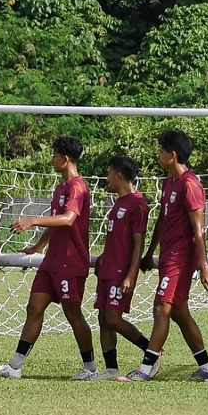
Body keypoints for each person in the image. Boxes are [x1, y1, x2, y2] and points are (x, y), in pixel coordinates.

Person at [0, 137, 95, 380]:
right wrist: (37, 247)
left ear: (65, 159)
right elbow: (56, 222)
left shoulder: (77, 187)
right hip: (52, 261)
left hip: (71, 262)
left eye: (54, 155)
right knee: (34, 307)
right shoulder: (60, 188)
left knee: (73, 314)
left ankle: (90, 368)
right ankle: (15, 366)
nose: (51, 159)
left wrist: (31, 221)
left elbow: (68, 218)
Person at [130, 130, 208, 381]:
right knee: (178, 311)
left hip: (182, 257)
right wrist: (150, 252)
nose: (158, 155)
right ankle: (207, 368)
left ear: (173, 154)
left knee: (161, 307)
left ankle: (147, 367)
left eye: (161, 151)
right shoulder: (169, 182)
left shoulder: (190, 185)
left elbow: (198, 228)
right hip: (168, 254)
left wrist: (203, 265)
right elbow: (163, 219)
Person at [90, 156, 151, 381]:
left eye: (108, 174)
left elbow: (138, 243)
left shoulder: (138, 204)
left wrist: (131, 274)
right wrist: (104, 257)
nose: (107, 179)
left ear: (118, 176)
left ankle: (151, 350)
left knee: (114, 319)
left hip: (120, 272)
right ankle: (112, 370)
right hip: (107, 270)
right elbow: (118, 239)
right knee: (102, 319)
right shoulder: (117, 203)